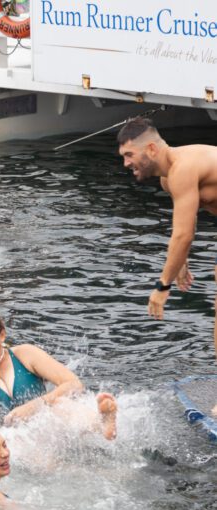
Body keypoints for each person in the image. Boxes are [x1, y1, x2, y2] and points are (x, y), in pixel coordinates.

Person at [117, 117, 217, 416]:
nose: (125, 164)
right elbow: (187, 222)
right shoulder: (168, 177)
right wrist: (181, 261)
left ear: (150, 148)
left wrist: (163, 285)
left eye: (129, 155)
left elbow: (183, 233)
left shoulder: (182, 169)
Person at [0, 309, 117, 440]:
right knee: (18, 442)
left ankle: (101, 423)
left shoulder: (25, 354)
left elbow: (74, 384)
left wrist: (35, 405)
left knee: (60, 403)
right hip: (11, 440)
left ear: (2, 335)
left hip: (45, 424)